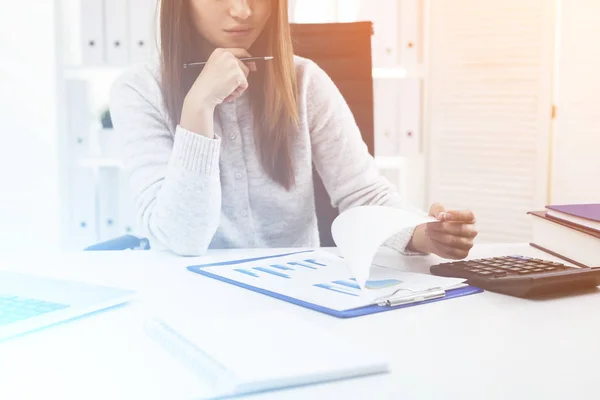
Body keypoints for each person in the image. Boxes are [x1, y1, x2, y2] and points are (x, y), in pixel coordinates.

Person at [109, 0, 478, 258]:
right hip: (190, 296)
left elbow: (363, 193)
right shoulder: (139, 90)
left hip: (295, 290)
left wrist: (422, 234)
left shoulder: (303, 81)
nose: (243, 10)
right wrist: (198, 107)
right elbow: (180, 238)